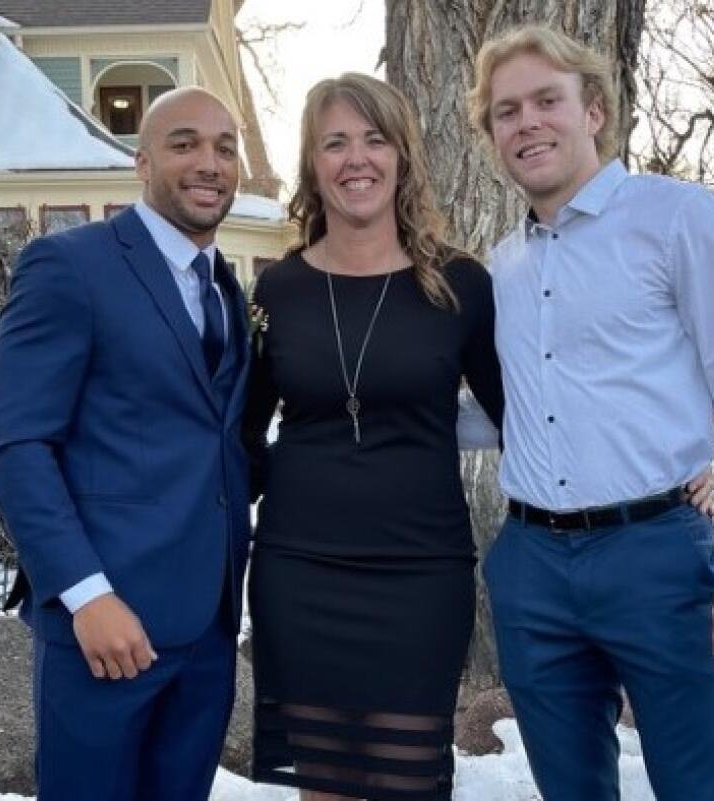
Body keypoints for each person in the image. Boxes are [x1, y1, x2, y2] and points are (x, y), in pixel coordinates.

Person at [468, 25, 714, 801]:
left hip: (654, 556)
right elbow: (512, 410)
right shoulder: (502, 266)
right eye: (506, 112)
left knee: (703, 788)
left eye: (547, 100)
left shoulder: (680, 219)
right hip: (530, 566)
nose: (527, 123)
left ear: (594, 110)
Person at [241, 73, 505, 801]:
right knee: (324, 782)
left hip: (420, 572)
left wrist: (675, 467)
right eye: (335, 142)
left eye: (374, 138)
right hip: (301, 569)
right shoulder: (279, 290)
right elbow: (239, 435)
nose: (356, 158)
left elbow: (528, 414)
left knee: (409, 780)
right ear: (313, 165)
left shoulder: (459, 287)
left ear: (402, 157)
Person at [0, 87, 251, 801]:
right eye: (185, 142)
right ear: (141, 161)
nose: (210, 162)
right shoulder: (70, 266)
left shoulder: (226, 287)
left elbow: (217, 446)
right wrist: (85, 595)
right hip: (106, 630)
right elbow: (18, 447)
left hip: (208, 632)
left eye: (226, 147)